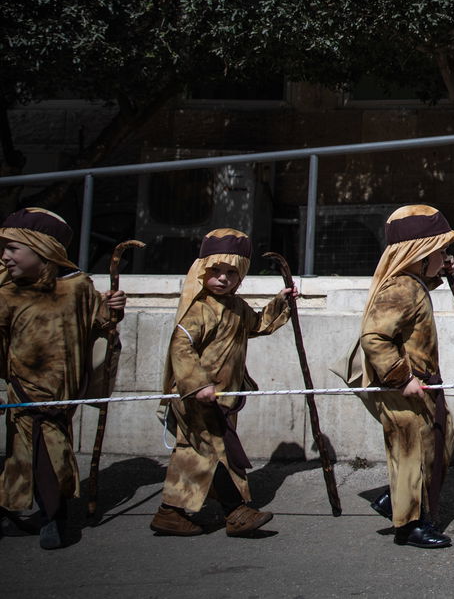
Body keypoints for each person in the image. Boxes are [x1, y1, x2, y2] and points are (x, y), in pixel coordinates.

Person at [150, 229, 294, 537]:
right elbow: (181, 347)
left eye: (231, 273)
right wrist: (198, 384)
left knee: (197, 452)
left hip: (223, 397)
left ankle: (170, 513)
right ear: (202, 272)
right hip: (198, 397)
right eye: (216, 271)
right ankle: (235, 512)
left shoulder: (237, 307)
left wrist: (280, 303)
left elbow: (259, 325)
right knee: (214, 451)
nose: (223, 278)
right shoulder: (198, 310)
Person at [0, 207, 125, 549]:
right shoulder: (8, 292)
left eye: (13, 248)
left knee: (49, 452)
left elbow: (101, 323)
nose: (5, 256)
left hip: (63, 391)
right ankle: (37, 515)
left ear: (42, 250)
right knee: (26, 452)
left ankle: (52, 516)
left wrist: (113, 307)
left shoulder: (77, 287)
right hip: (22, 388)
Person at [350, 204, 454, 548]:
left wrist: (438, 272)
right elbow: (374, 337)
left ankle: (393, 500)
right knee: (412, 452)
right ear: (419, 254)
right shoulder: (401, 288)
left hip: (421, 384)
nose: (445, 256)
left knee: (441, 438)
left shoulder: (412, 283)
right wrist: (401, 378)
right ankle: (410, 526)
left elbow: (415, 299)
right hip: (405, 387)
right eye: (440, 251)